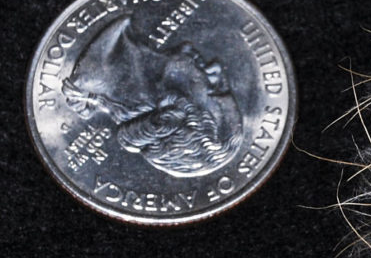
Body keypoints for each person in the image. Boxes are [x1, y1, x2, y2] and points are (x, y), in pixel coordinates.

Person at [62, 16, 243, 178]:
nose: (216, 70)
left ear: (173, 107)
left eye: (213, 91)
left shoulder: (92, 72)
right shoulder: (115, 39)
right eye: (220, 86)